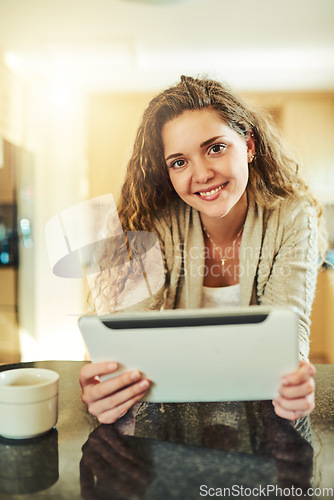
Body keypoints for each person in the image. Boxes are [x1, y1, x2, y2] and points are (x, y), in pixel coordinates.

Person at [80, 75, 326, 427]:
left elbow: (288, 340)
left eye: (215, 148)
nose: (203, 174)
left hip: (255, 423)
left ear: (249, 144)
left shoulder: (292, 216)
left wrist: (291, 385)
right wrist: (109, 387)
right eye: (179, 162)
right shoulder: (151, 222)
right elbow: (123, 340)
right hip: (174, 421)